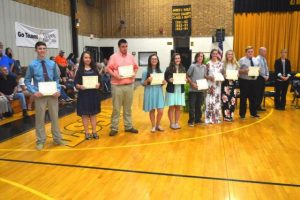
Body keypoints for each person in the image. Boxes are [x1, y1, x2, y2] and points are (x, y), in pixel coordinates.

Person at [24, 41, 65, 150]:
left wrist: (58, 89)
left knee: (55, 117)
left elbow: (57, 78)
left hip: (52, 94)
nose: (42, 50)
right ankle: (40, 140)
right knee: (40, 118)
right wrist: (34, 91)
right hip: (40, 95)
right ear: (36, 50)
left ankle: (57, 138)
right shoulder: (32, 65)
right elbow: (27, 81)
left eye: (44, 48)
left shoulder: (52, 64)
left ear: (46, 50)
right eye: (39, 48)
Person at [106, 39, 139, 136]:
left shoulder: (131, 57)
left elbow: (136, 67)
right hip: (117, 86)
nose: (125, 48)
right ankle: (114, 127)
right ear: (119, 47)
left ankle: (128, 126)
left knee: (128, 108)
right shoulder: (113, 57)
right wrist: (115, 75)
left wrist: (134, 74)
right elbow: (108, 68)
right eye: (123, 46)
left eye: (126, 46)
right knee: (116, 108)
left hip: (129, 85)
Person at [75, 51, 102, 140]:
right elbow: (75, 83)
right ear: (82, 59)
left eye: (89, 57)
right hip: (83, 95)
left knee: (93, 114)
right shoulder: (79, 70)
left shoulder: (95, 69)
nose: (88, 59)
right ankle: (87, 133)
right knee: (85, 115)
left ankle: (94, 131)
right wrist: (80, 86)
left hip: (94, 95)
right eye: (86, 57)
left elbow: (100, 81)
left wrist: (99, 84)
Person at [142, 54, 166, 132]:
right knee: (152, 110)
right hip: (150, 91)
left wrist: (164, 82)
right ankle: (153, 126)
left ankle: (157, 125)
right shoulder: (146, 71)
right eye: (152, 59)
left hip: (158, 91)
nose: (154, 60)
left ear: (157, 60)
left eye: (155, 59)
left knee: (161, 111)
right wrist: (147, 80)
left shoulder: (161, 71)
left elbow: (162, 83)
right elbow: (143, 83)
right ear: (150, 60)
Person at [165, 53, 186, 129]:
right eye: (176, 58)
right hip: (171, 90)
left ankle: (176, 123)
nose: (177, 60)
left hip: (180, 90)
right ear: (173, 59)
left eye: (179, 58)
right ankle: (171, 123)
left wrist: (185, 80)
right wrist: (169, 80)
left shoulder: (183, 68)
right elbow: (166, 78)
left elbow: (184, 77)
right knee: (171, 107)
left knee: (178, 107)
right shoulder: (168, 68)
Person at [238, 46, 260, 119]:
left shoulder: (256, 60)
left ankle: (253, 113)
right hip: (244, 81)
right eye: (249, 52)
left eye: (252, 51)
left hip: (254, 82)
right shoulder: (241, 60)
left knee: (253, 98)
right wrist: (244, 71)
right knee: (243, 98)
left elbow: (259, 68)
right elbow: (237, 70)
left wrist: (258, 70)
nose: (250, 53)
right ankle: (242, 114)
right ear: (246, 52)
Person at [186, 52, 206, 126]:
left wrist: (204, 83)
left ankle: (198, 120)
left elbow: (204, 76)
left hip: (200, 89)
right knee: (192, 106)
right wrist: (192, 83)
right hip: (193, 90)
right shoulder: (192, 66)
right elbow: (187, 76)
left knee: (199, 105)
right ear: (196, 57)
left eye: (201, 56)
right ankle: (191, 121)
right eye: (199, 56)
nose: (200, 58)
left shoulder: (204, 66)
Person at [205, 49, 224, 124]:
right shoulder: (208, 63)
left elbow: (223, 74)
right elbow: (205, 75)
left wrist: (222, 78)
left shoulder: (220, 64)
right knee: (209, 101)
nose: (215, 55)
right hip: (210, 85)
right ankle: (209, 118)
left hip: (218, 85)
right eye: (213, 53)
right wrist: (209, 77)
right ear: (211, 54)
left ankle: (217, 118)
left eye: (216, 53)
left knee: (217, 101)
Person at [221, 50, 239, 122]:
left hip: (233, 84)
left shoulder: (236, 64)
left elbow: (238, 74)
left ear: (233, 55)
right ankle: (225, 116)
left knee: (232, 101)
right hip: (225, 84)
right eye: (228, 54)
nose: (230, 56)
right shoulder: (223, 64)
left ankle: (231, 116)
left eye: (231, 54)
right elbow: (221, 74)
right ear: (226, 55)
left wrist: (237, 75)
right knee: (225, 101)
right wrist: (223, 75)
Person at [256, 47, 269, 111]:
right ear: (260, 51)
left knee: (261, 93)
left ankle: (259, 106)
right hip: (259, 78)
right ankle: (256, 106)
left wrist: (267, 75)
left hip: (264, 78)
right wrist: (264, 76)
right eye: (264, 51)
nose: (265, 52)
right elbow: (259, 69)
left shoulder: (264, 59)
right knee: (258, 93)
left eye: (265, 51)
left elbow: (266, 67)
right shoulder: (257, 59)